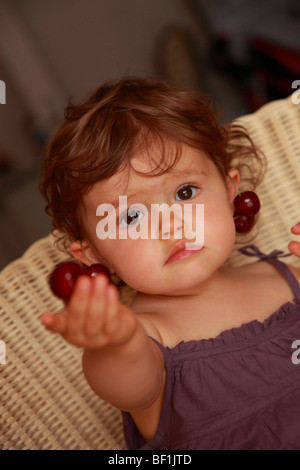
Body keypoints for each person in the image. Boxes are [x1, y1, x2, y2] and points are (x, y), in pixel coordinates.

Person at [40, 77, 300, 450]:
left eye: (184, 192)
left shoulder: (288, 276)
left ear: (230, 193)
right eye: (130, 217)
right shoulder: (146, 338)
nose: (170, 224)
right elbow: (128, 383)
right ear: (95, 255)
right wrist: (112, 345)